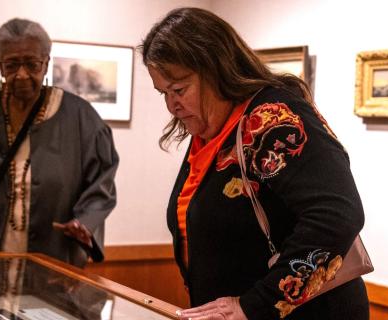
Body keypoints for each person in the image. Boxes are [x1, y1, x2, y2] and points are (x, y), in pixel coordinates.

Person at [140, 8, 368, 319]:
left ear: (216, 69)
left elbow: (337, 215)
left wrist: (254, 305)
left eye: (179, 90)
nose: (172, 105)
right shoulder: (211, 130)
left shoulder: (271, 116)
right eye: (163, 93)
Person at [0, 18, 119, 268]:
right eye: (12, 65)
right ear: (0, 65)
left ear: (46, 63)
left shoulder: (80, 116)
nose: (22, 74)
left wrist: (85, 221)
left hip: (51, 258)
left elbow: (103, 177)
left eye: (32, 64)